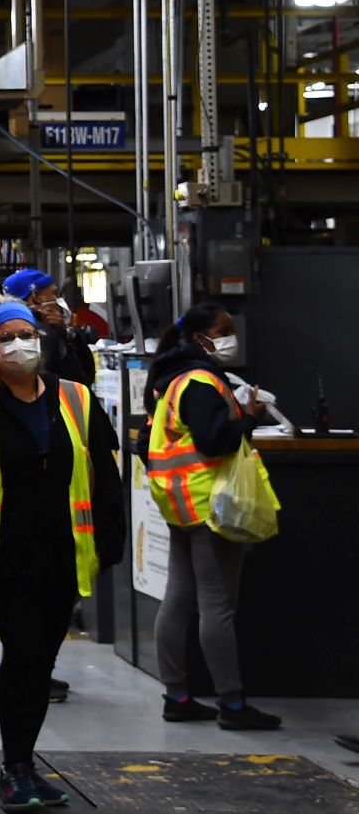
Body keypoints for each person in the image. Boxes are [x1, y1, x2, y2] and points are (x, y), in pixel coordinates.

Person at [0, 298, 126, 814]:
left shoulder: (77, 400)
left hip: (63, 551)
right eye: (7, 336)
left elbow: (103, 475)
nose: (20, 344)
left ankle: (24, 765)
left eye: (27, 333)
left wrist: (110, 542)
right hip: (3, 555)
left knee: (41, 661)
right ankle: (16, 768)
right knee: (24, 656)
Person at [143, 302, 282, 731]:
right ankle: (232, 703)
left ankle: (177, 695)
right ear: (201, 339)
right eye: (222, 330)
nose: (229, 336)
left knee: (178, 600)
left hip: (180, 505)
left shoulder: (172, 380)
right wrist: (248, 418)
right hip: (211, 505)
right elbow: (215, 439)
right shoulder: (201, 381)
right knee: (217, 606)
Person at [3, 268, 96, 387]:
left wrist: (66, 334)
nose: (58, 300)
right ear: (35, 296)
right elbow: (80, 380)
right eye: (54, 294)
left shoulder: (4, 332)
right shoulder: (44, 335)